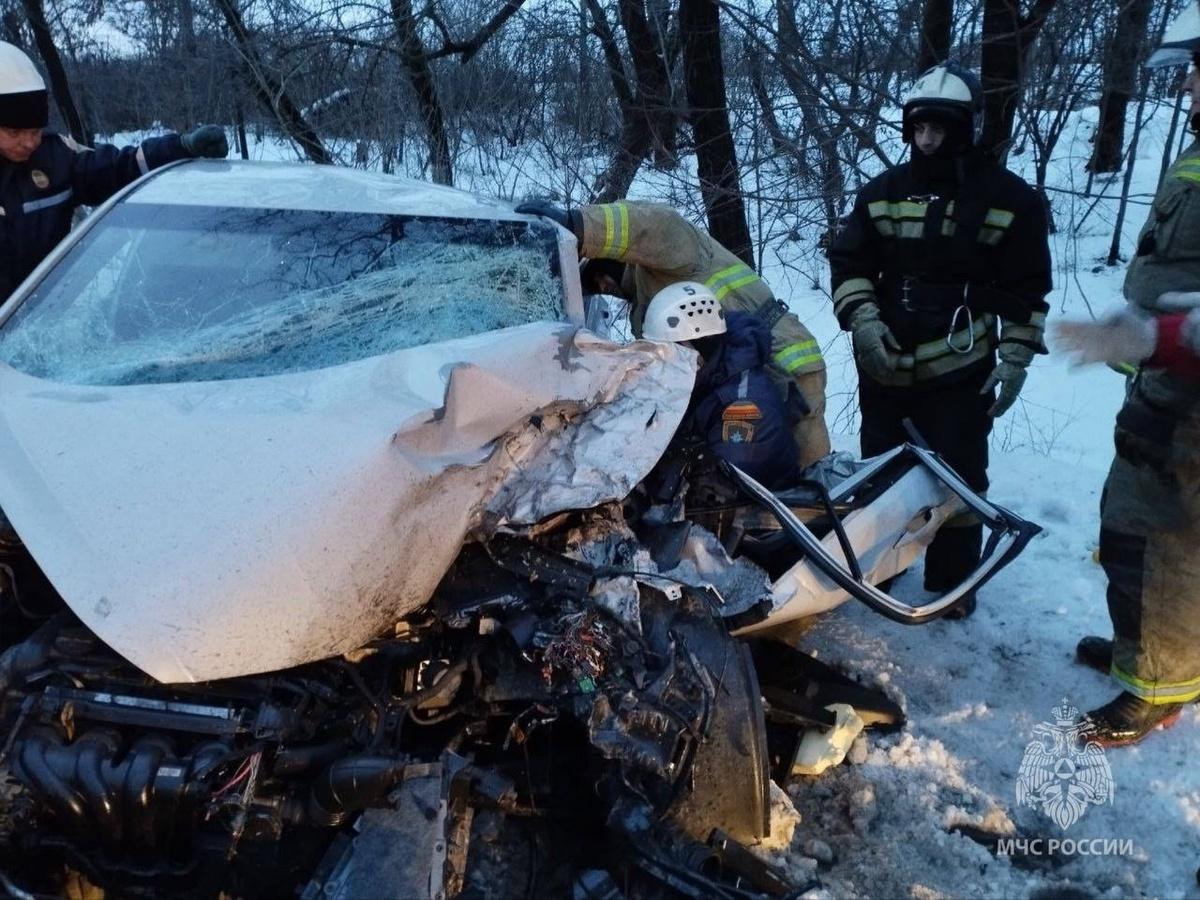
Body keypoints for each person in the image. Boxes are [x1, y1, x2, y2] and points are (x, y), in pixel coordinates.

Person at [827, 62, 1052, 618]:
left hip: (961, 363)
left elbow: (1026, 286)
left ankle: (953, 585)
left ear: (964, 128)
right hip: (884, 364)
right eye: (918, 128)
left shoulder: (1008, 199)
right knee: (882, 476)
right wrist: (863, 320)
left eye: (939, 129)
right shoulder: (881, 194)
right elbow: (849, 261)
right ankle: (883, 569)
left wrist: (1016, 354)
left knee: (959, 480)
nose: (927, 140)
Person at [1047, 16, 1200, 745]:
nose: (1192, 83)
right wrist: (1134, 328)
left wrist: (1157, 336)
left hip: (1190, 412)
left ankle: (1158, 689)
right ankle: (1151, 654)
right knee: (1131, 529)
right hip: (1169, 398)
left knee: (1160, 546)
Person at [515, 198, 831, 470]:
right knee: (757, 475)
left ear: (616, 259)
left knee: (807, 480)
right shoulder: (644, 300)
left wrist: (580, 225)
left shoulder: (673, 255)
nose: (605, 288)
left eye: (601, 278)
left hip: (784, 358)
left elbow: (658, 224)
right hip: (739, 367)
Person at [0, 41, 229, 302]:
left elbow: (116, 169)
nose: (29, 142)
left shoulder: (55, 157)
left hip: (34, 325)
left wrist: (181, 146)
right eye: (14, 132)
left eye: (35, 130)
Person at [642, 281, 800, 489]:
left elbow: (717, 486)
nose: (662, 363)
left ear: (699, 348)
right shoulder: (705, 377)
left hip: (748, 511)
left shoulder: (744, 406)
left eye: (669, 353)